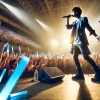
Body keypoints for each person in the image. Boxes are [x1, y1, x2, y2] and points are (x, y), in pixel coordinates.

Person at [66, 7, 100, 82]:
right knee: (75, 57)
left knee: (85, 57)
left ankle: (98, 71)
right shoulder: (75, 22)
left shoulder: (83, 19)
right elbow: (68, 27)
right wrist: (67, 19)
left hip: (81, 42)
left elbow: (89, 28)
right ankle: (80, 74)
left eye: (73, 12)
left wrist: (97, 36)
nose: (72, 14)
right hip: (75, 43)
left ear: (77, 12)